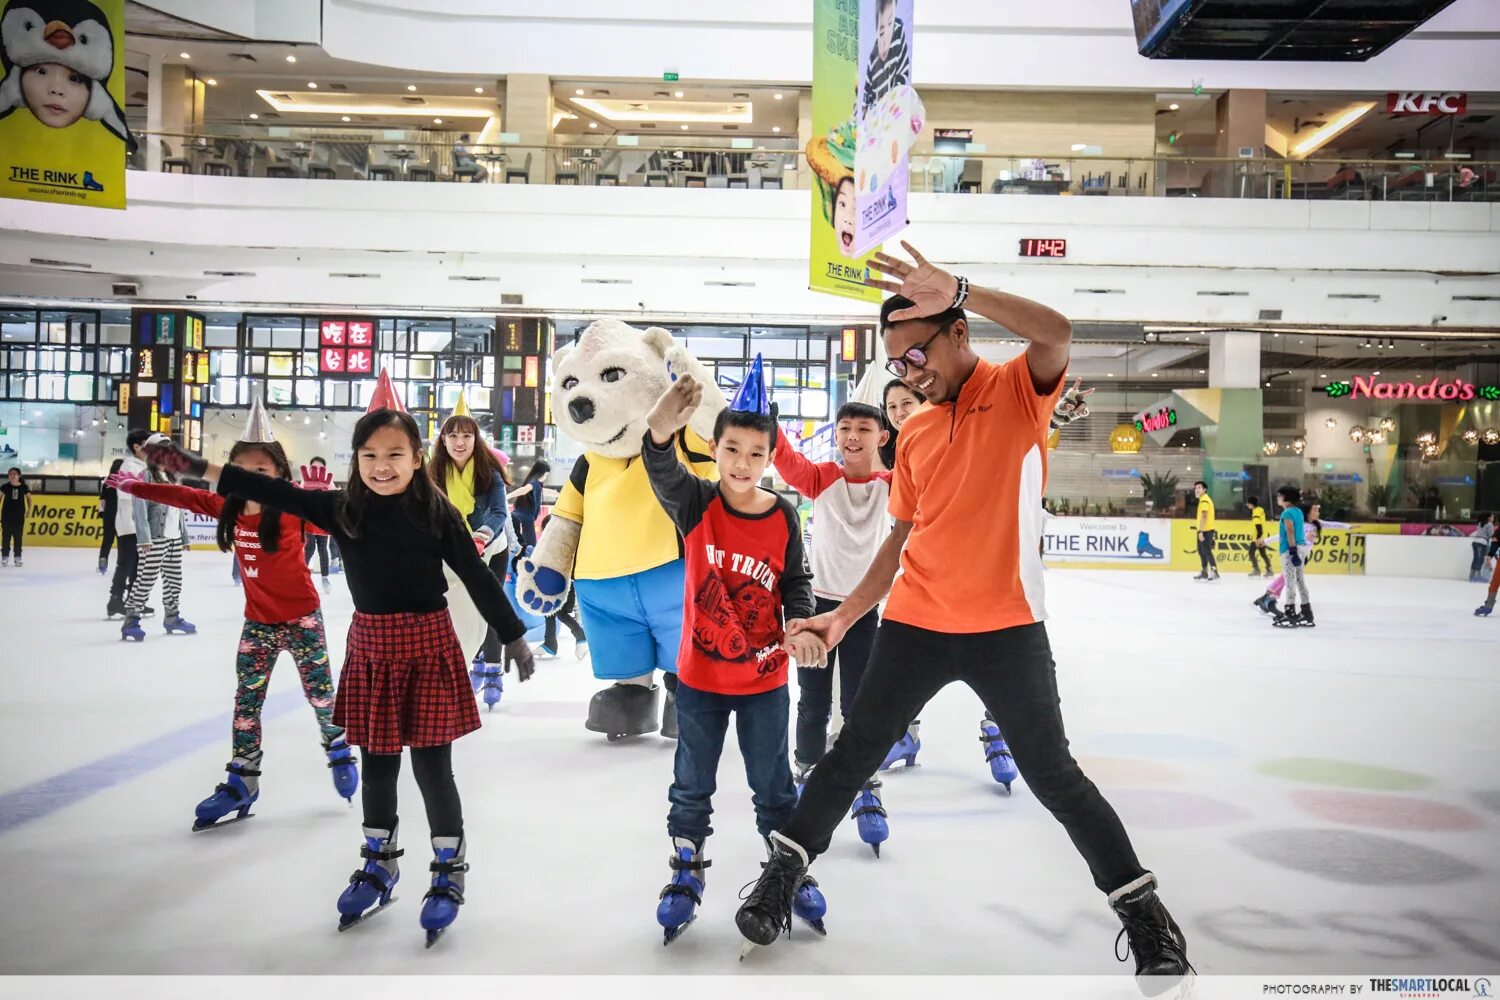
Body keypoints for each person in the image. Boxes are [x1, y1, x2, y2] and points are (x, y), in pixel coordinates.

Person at [734, 243, 1192, 993]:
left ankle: (1145, 915)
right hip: (916, 623)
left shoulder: (1016, 390)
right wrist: (846, 617)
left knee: (1054, 776)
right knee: (853, 754)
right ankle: (781, 875)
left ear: (957, 332)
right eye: (897, 365)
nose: (907, 374)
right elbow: (900, 540)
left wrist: (967, 287)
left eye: (916, 354)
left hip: (1007, 626)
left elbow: (1056, 332)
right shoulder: (912, 433)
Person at [143, 404, 535, 946]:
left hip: (427, 647)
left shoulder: (436, 512)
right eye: (370, 455)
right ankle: (380, 862)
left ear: (417, 459)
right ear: (356, 459)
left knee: (432, 770)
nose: (381, 465)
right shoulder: (340, 509)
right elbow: (268, 490)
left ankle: (448, 871)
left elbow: (476, 575)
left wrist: (513, 634)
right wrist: (190, 465)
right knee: (377, 768)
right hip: (372, 649)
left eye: (395, 455)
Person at [639, 366, 830, 945]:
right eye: (731, 449)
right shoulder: (696, 503)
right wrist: (658, 432)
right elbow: (662, 468)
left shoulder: (783, 516)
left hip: (765, 682)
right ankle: (686, 867)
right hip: (698, 679)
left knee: (773, 786)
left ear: (771, 456)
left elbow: (795, 582)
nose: (742, 463)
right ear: (715, 449)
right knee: (692, 782)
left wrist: (799, 623)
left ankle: (784, 875)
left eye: (755, 452)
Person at [109, 420, 356, 830]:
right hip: (257, 624)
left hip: (302, 621)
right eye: (240, 470)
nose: (249, 479)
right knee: (246, 705)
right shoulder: (227, 508)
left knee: (321, 696)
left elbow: (347, 523)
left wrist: (326, 500)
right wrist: (136, 487)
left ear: (278, 475)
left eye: (260, 472)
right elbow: (182, 494)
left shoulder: (293, 513)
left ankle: (338, 749)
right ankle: (243, 779)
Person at [773, 402, 892, 780]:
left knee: (858, 701)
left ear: (882, 437)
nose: (852, 436)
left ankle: (858, 770)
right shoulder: (823, 477)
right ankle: (806, 764)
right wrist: (771, 427)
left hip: (861, 610)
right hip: (815, 606)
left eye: (863, 428)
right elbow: (788, 461)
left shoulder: (893, 484)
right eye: (844, 428)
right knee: (813, 700)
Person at [427, 408, 521, 680]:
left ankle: (492, 667)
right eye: (453, 435)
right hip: (453, 549)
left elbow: (498, 512)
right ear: (443, 439)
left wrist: (480, 536)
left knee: (488, 603)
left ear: (475, 439)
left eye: (467, 435)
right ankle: (460, 661)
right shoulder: (433, 473)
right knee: (450, 607)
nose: (460, 442)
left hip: (491, 548)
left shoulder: (488, 470)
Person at [121, 435, 194, 640]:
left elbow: (179, 509)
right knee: (146, 578)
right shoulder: (145, 476)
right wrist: (144, 538)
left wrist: (184, 536)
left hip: (173, 537)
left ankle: (172, 617)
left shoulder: (174, 478)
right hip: (154, 537)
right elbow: (139, 508)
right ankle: (131, 620)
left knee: (174, 580)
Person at [107, 430, 151, 619]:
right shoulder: (131, 466)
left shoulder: (141, 465)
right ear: (137, 446)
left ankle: (134, 601)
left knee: (137, 564)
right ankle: (115, 600)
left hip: (136, 522)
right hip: (129, 522)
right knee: (126, 562)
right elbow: (126, 495)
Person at [861, 0, 911, 115]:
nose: (886, 39)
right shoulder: (873, 60)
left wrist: (893, 102)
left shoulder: (898, 32)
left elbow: (903, 72)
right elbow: (866, 100)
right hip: (877, 122)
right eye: (882, 32)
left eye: (891, 24)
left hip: (895, 115)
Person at [1270, 486, 1311, 628]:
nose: (1277, 497)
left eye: (1279, 495)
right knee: (1300, 581)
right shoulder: (1299, 512)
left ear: (1286, 498)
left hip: (1289, 550)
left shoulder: (1286, 513)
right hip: (1301, 548)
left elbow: (1290, 532)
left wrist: (1292, 552)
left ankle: (1289, 612)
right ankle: (1306, 612)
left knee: (1290, 581)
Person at [303, 456, 334, 593]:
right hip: (309, 520)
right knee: (308, 549)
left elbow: (333, 499)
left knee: (323, 549)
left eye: (320, 467)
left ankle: (325, 578)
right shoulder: (306, 480)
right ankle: (300, 576)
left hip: (322, 521)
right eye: (314, 466)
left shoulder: (328, 481)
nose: (317, 469)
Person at [878, 379, 923, 471]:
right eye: (892, 406)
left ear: (923, 403)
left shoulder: (939, 441)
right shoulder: (885, 445)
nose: (899, 413)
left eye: (906, 403)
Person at [512, 459, 549, 550]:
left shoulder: (536, 483)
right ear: (542, 473)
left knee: (521, 546)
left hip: (521, 516)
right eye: (546, 475)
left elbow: (545, 491)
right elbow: (524, 490)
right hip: (525, 519)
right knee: (529, 547)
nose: (546, 477)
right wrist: (506, 496)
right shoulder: (534, 483)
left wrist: (560, 495)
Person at [97, 459, 123, 575]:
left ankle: (103, 560)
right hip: (122, 515)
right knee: (122, 541)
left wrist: (101, 512)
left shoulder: (107, 482)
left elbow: (103, 500)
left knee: (107, 539)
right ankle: (122, 565)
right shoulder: (125, 481)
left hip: (109, 515)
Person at [1, 466, 30, 567]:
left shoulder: (24, 487)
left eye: (14, 474)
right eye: (10, 474)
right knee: (6, 537)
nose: (12, 476)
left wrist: (29, 510)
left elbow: (29, 499)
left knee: (18, 538)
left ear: (19, 475)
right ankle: (4, 556)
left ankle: (18, 557)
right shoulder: (5, 487)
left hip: (18, 516)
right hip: (6, 516)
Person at [1192, 480, 1219, 581]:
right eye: (1196, 488)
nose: (1197, 490)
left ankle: (1214, 571)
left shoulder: (1204, 500)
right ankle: (1204, 572)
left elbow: (1204, 515)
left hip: (1206, 530)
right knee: (1201, 551)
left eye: (1199, 488)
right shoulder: (1203, 499)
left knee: (1206, 551)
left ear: (1204, 489)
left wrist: (1201, 531)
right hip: (1204, 530)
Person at [1246, 496, 1273, 577]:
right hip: (1261, 536)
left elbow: (1258, 526)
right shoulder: (1260, 510)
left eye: (1248, 503)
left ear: (1251, 504)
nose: (1247, 505)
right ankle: (1269, 569)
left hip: (1257, 538)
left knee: (1251, 553)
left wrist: (1258, 539)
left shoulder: (1256, 512)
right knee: (1263, 553)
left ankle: (1256, 569)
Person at [1469, 513, 1494, 583]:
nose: (1493, 518)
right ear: (1489, 518)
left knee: (1475, 559)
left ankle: (1471, 576)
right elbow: (1490, 535)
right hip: (1482, 542)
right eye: (1492, 517)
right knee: (1480, 560)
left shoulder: (1480, 523)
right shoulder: (1490, 524)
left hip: (1475, 542)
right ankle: (1477, 576)